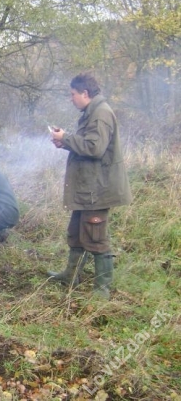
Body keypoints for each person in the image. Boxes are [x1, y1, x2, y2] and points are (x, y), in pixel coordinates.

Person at [47, 73, 132, 299]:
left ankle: (102, 289)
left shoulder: (101, 114)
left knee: (96, 237)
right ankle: (71, 275)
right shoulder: (91, 113)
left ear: (85, 93)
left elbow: (95, 148)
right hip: (88, 188)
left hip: (98, 189)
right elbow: (86, 146)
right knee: (76, 233)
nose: (71, 98)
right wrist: (64, 141)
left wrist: (66, 137)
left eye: (73, 94)